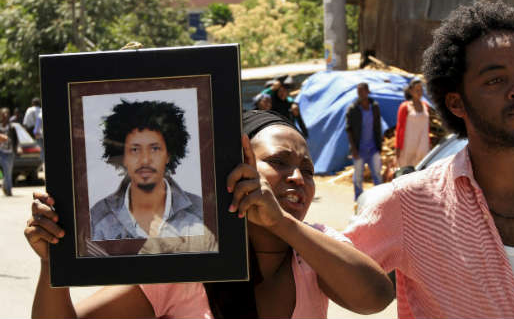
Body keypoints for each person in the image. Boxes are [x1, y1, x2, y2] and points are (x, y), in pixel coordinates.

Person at [344, 0, 514, 318]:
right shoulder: (411, 204)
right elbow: (323, 273)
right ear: (456, 103)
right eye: (496, 80)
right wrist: (287, 226)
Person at [24, 110, 395, 318]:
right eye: (279, 162)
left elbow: (375, 298)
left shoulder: (312, 251)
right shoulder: (187, 257)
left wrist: (282, 225)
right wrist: (50, 262)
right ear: (237, 167)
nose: (298, 178)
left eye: (309, 170)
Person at [90, 100, 215, 245]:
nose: (145, 160)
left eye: (155, 148)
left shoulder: (201, 213)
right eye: (135, 149)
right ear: (123, 157)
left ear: (169, 154)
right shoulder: (96, 218)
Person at [345, 82, 383, 200]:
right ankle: (359, 198)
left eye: (362, 91)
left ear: (367, 92)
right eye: (358, 91)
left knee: (377, 174)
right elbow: (349, 130)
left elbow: (378, 127)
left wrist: (379, 145)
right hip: (359, 149)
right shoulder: (353, 109)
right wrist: (353, 149)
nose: (360, 94)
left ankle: (380, 198)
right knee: (358, 177)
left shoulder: (375, 107)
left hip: (373, 148)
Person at [394, 79, 430, 168]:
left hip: (422, 145)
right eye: (417, 90)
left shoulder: (425, 106)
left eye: (421, 90)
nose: (419, 92)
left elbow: (427, 126)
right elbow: (400, 127)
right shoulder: (405, 107)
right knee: (407, 170)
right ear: (411, 91)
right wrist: (398, 147)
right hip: (408, 145)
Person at [0, 108, 18, 196]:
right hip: (1, 152)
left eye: (7, 114)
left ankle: (6, 187)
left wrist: (17, 149)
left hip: (10, 152)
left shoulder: (12, 127)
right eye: (3, 114)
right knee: (6, 171)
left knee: (8, 172)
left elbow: (16, 139)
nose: (5, 116)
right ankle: (8, 189)